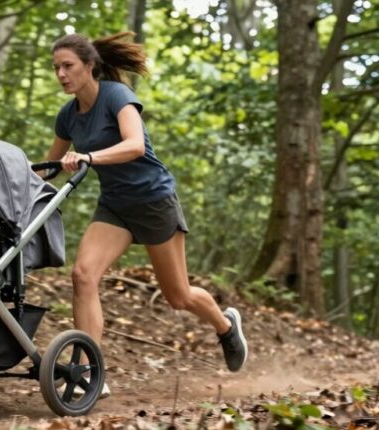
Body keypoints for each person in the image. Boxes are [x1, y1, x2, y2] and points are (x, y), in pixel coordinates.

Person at [45, 32, 248, 398]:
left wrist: (89, 157)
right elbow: (50, 166)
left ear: (89, 67)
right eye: (56, 67)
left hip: (153, 200)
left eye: (68, 66)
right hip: (116, 206)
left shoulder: (116, 96)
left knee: (179, 296)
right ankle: (91, 371)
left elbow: (135, 145)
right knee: (83, 275)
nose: (61, 74)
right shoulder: (68, 116)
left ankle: (226, 326)